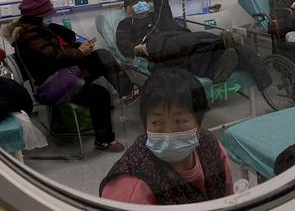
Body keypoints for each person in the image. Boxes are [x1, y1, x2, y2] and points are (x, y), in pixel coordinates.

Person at [2, 0, 137, 152]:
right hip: (53, 85)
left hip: (60, 74)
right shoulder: (29, 36)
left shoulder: (34, 29)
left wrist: (72, 43)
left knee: (101, 56)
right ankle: (104, 141)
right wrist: (80, 51)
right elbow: (54, 57)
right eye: (46, 12)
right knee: (100, 95)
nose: (49, 15)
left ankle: (127, 92)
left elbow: (56, 51)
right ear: (38, 14)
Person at [100, 68, 233, 205]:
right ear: (145, 124)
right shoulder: (131, 189)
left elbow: (229, 198)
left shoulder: (211, 145)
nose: (169, 134)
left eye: (180, 121)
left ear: (198, 123)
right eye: (157, 122)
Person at [115, 0, 271, 89]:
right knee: (203, 41)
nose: (140, 5)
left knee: (206, 45)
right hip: (155, 45)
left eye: (141, 2)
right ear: (129, 11)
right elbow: (122, 42)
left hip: (181, 38)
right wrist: (135, 48)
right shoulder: (127, 23)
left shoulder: (159, 14)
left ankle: (255, 77)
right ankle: (221, 47)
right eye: (136, 5)